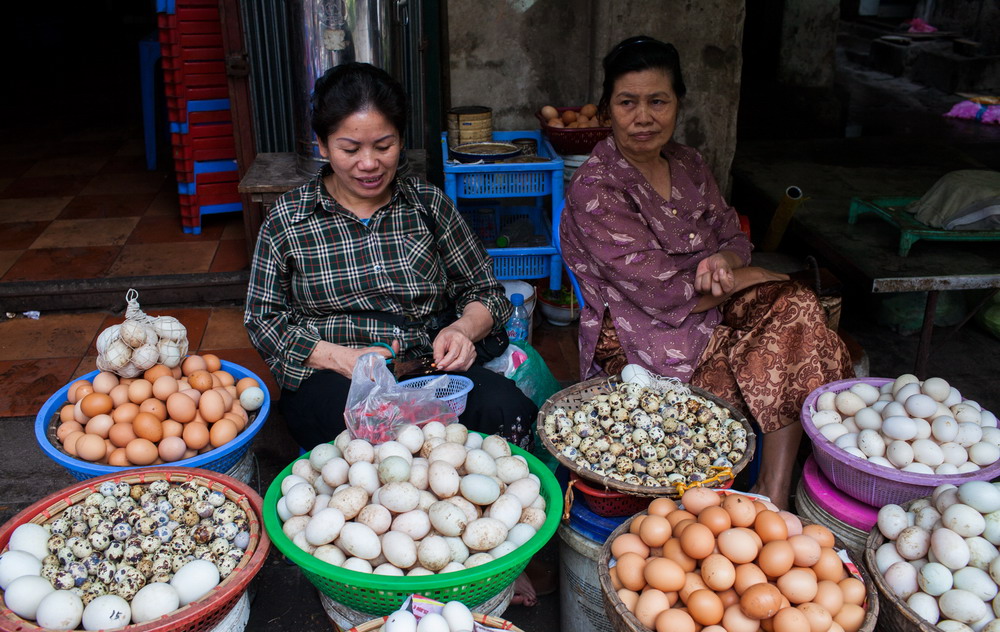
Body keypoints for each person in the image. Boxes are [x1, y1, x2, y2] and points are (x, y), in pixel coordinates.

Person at [559, 36, 853, 508]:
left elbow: (733, 234)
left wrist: (729, 262)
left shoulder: (689, 163)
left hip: (713, 302)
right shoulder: (596, 187)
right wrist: (748, 277)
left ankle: (770, 489)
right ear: (606, 110)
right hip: (642, 331)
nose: (643, 117)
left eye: (658, 101)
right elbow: (661, 293)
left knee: (796, 307)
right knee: (782, 338)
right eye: (627, 102)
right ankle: (761, 493)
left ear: (678, 103)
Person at [245, 62, 537, 450]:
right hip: (336, 378)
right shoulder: (288, 220)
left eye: (384, 146)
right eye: (350, 149)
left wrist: (463, 330)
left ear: (400, 139)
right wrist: (344, 360)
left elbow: (484, 290)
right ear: (322, 144)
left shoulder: (428, 205)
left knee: (506, 410)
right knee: (358, 440)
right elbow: (264, 319)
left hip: (426, 367)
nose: (369, 163)